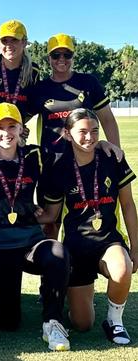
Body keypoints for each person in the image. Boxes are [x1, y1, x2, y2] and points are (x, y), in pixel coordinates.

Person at [0, 102, 70, 351]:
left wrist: (102, 144)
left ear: (21, 129)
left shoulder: (35, 156)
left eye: (12, 126)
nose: (7, 132)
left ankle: (53, 322)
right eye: (0, 127)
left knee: (57, 252)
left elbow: (72, 157)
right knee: (6, 322)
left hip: (30, 242)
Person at [41, 108, 137, 345]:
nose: (89, 137)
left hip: (108, 240)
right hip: (75, 247)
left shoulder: (112, 158)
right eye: (82, 132)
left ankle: (115, 321)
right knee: (82, 324)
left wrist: (135, 247)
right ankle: (77, 297)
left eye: (94, 131)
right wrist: (24, 215)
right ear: (67, 133)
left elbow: (127, 205)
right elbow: (52, 215)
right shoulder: (59, 167)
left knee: (123, 268)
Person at [30, 33, 121, 239]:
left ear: (73, 56)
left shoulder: (88, 83)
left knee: (85, 223)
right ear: (48, 58)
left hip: (85, 165)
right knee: (50, 224)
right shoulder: (40, 89)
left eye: (67, 54)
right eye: (56, 55)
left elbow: (106, 118)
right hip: (51, 165)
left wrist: (115, 152)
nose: (61, 59)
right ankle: (52, 269)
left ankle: (81, 267)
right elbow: (20, 117)